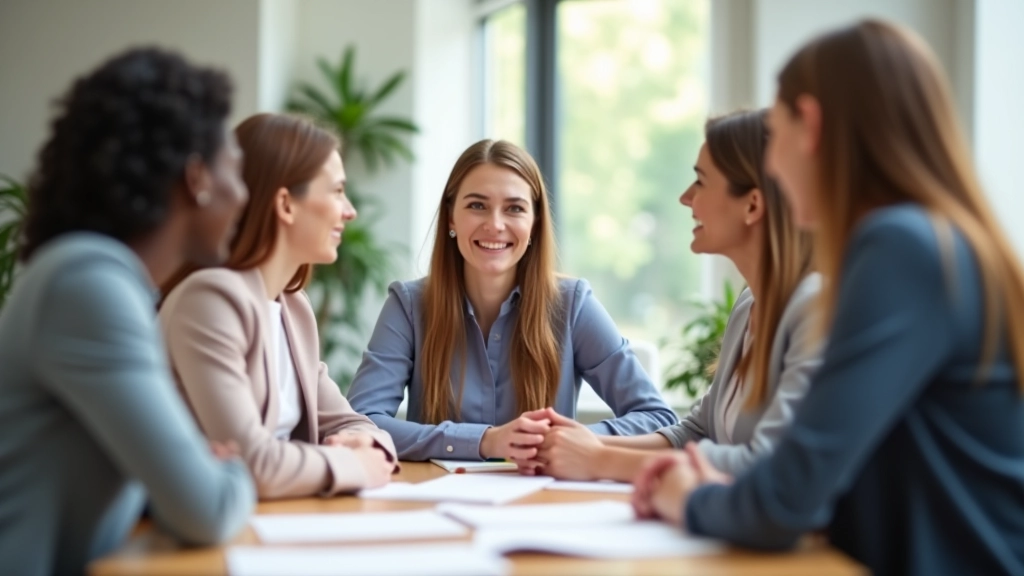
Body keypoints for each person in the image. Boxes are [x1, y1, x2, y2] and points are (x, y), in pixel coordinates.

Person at [632, 20, 1024, 576]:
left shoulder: (900, 248)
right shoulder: (933, 239)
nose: (771, 166)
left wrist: (683, 496)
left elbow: (785, 497)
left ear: (810, 125)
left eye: (779, 130)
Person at [0, 48, 255, 575]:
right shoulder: (87, 283)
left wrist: (194, 471)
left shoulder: (106, 281)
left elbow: (159, 488)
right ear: (197, 178)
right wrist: (232, 473)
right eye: (236, 169)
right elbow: (204, 508)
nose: (244, 193)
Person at [518, 110, 820, 481]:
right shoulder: (749, 305)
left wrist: (601, 461)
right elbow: (695, 432)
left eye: (701, 181)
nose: (685, 197)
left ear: (752, 205)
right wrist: (582, 443)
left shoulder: (812, 308)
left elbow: (769, 464)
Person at [347, 139, 677, 461]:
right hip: (436, 502)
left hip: (543, 503)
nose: (495, 225)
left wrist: (575, 440)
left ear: (534, 223)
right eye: (477, 205)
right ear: (451, 217)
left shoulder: (573, 304)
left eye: (514, 208)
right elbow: (360, 424)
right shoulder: (407, 305)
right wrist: (485, 441)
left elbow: (657, 417)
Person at [159, 113, 397, 500]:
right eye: (337, 191)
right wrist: (353, 465)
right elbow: (251, 465)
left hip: (279, 521)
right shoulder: (209, 301)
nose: (349, 211)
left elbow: (352, 421)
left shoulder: (293, 309)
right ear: (286, 204)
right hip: (204, 538)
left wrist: (365, 446)